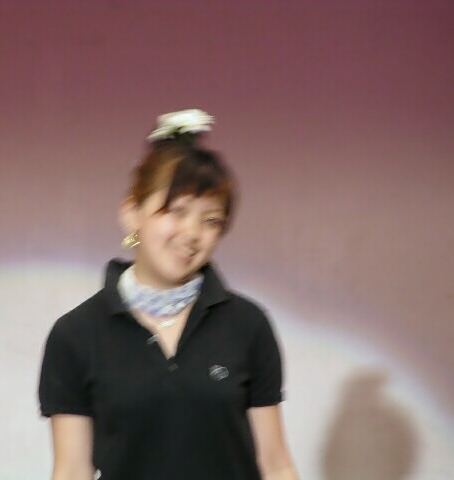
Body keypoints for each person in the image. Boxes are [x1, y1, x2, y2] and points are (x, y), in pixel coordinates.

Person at [38, 109, 298, 480]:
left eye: (210, 220)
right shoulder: (76, 335)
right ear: (132, 213)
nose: (191, 234)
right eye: (177, 211)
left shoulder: (247, 325)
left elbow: (275, 465)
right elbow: (72, 470)